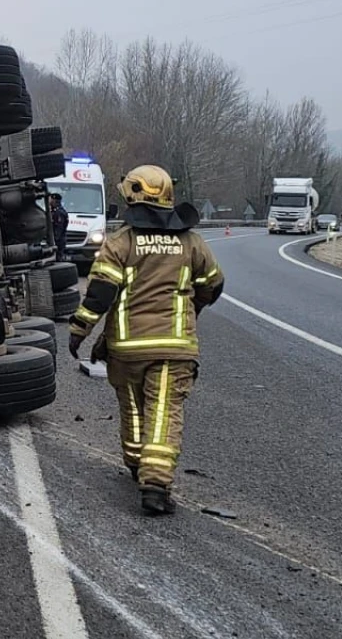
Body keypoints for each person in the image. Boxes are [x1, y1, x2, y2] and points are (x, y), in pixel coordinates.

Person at [67, 165, 224, 515]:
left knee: (135, 408)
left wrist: (79, 330)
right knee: (164, 412)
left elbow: (99, 295)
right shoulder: (191, 242)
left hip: (126, 349)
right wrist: (191, 308)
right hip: (173, 347)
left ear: (131, 196)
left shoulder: (120, 242)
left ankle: (138, 463)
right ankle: (155, 483)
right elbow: (213, 284)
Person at [49, 192, 69, 261]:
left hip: (58, 242)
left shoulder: (59, 212)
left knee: (57, 260)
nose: (49, 201)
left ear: (54, 200)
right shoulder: (54, 211)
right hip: (57, 241)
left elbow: (58, 228)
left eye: (50, 199)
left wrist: (54, 240)